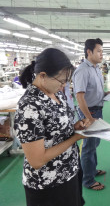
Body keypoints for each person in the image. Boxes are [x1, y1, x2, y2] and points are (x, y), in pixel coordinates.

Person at [14, 48, 89, 206]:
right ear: (42, 76)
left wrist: (75, 127)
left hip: (70, 172)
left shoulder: (56, 93)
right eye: (61, 81)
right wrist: (75, 137)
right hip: (48, 184)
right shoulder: (29, 106)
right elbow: (37, 160)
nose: (63, 86)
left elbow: (58, 128)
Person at [72, 38, 110, 191]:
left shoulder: (95, 68)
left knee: (94, 143)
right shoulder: (82, 70)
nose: (102, 54)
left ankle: (92, 170)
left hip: (97, 110)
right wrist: (89, 117)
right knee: (88, 147)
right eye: (99, 51)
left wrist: (104, 94)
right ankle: (88, 180)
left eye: (102, 51)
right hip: (89, 112)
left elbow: (92, 90)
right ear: (89, 52)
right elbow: (79, 97)